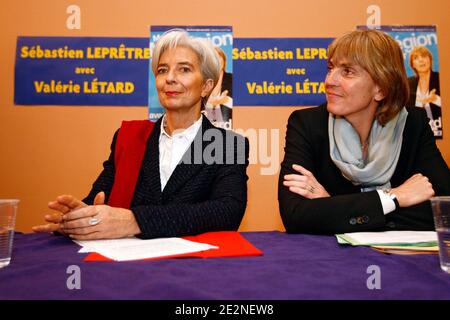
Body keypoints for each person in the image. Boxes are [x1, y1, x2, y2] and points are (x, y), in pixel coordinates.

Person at [33, 29, 249, 240]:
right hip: (128, 269)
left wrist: (135, 221)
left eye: (184, 69)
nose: (170, 78)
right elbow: (98, 199)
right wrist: (79, 219)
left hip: (195, 267)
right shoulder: (129, 137)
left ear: (206, 86)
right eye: (163, 70)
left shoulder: (227, 144)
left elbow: (227, 212)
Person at [278, 29, 450, 235]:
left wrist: (331, 206)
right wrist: (393, 197)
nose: (329, 81)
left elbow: (444, 212)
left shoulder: (413, 123)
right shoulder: (307, 123)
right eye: (330, 68)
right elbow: (295, 215)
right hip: (332, 262)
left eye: (347, 71)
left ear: (381, 88)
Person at [406, 46, 442, 136]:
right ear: (412, 64)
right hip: (416, 134)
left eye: (424, 56)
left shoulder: (440, 78)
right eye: (416, 58)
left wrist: (435, 99)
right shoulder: (408, 83)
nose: (421, 60)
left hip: (438, 130)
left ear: (430, 60)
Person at [204, 46, 232, 126]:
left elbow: (242, 105)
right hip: (207, 124)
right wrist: (213, 102)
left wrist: (226, 100)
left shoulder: (233, 79)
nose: (218, 61)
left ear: (224, 60)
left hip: (228, 123)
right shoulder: (202, 81)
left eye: (219, 57)